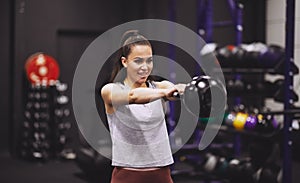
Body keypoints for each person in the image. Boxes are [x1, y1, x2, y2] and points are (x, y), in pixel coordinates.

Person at [101, 30, 185, 183]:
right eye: (138, 61)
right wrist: (165, 92)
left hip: (161, 175)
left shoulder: (161, 86)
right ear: (125, 62)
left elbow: (175, 91)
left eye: (149, 61)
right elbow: (134, 96)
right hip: (127, 176)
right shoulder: (110, 90)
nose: (145, 67)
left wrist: (188, 89)